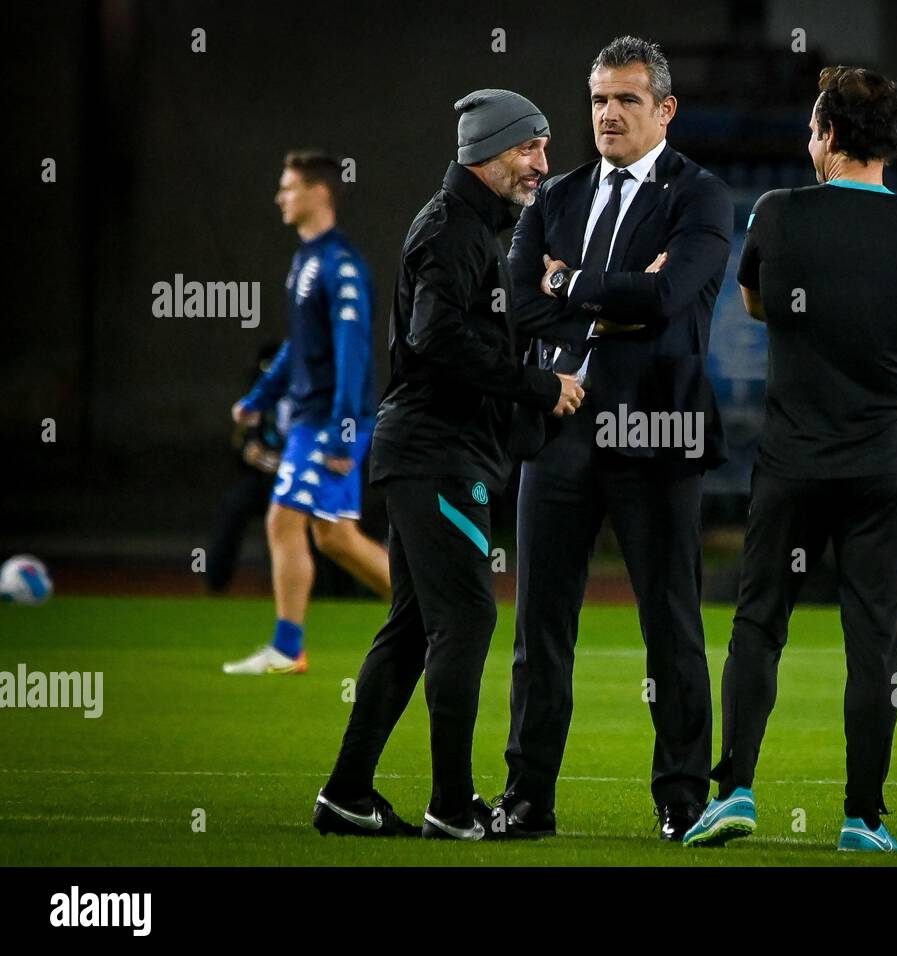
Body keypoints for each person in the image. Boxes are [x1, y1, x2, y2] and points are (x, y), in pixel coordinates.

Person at [682, 67, 897, 852]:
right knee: (875, 643)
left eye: (812, 128)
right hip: (885, 465)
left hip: (795, 459)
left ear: (831, 136)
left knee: (758, 625)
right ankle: (863, 818)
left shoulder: (778, 214)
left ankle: (733, 789)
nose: (809, 141)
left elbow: (756, 305)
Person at [313, 90, 585, 839]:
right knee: (465, 617)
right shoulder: (454, 229)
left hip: (428, 451)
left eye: (544, 148)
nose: (542, 165)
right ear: (488, 153)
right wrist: (537, 385)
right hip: (437, 455)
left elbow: (460, 336)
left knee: (410, 627)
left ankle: (347, 794)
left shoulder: (470, 229)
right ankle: (453, 803)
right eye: (530, 149)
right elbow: (436, 339)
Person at [496, 36, 731, 841]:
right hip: (559, 427)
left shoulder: (701, 196)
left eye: (627, 99)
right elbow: (520, 306)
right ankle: (526, 799)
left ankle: (683, 799)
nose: (607, 113)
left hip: (657, 426)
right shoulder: (555, 197)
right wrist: (605, 296)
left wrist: (571, 284)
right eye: (598, 98)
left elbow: (669, 299)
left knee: (671, 627)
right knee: (539, 630)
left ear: (664, 110)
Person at [224, 151, 391, 675]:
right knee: (334, 537)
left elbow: (353, 352)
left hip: (327, 422)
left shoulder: (340, 265)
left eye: (290, 187)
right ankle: (436, 614)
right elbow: (301, 347)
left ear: (320, 192)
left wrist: (343, 432)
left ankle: (288, 648)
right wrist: (261, 400)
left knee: (282, 521)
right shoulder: (306, 261)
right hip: (308, 418)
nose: (280, 197)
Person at [206, 344, 287, 593]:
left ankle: (322, 589)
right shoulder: (259, 402)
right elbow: (241, 444)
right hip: (263, 479)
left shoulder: (308, 396)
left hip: (296, 479)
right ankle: (216, 582)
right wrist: (250, 452)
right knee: (233, 504)